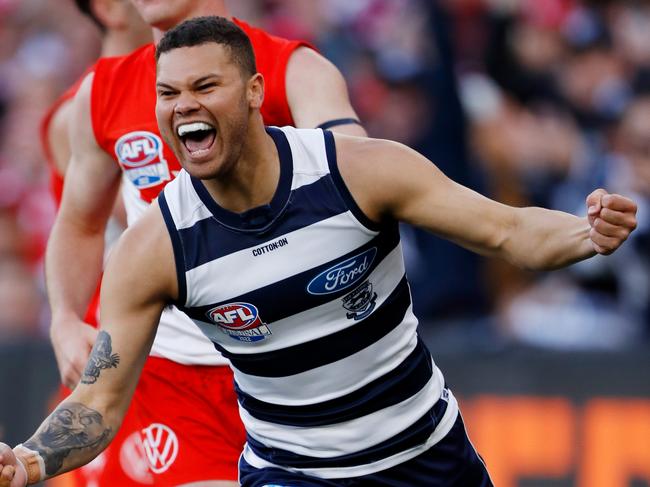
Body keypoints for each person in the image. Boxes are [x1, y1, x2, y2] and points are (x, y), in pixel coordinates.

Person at [0, 17, 637, 487]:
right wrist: (29, 459)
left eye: (204, 86)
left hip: (426, 455)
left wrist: (587, 232)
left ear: (254, 91)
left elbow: (511, 233)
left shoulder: (356, 174)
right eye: (168, 95)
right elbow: (98, 402)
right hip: (290, 473)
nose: (183, 106)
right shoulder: (155, 248)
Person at [45, 1, 365, 485]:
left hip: (295, 374)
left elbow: (360, 175)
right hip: (173, 377)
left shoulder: (291, 68)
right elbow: (80, 223)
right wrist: (65, 319)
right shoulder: (103, 90)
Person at [40, 2, 152, 486]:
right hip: (118, 358)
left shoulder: (169, 89)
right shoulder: (81, 110)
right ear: (109, 8)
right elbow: (146, 218)